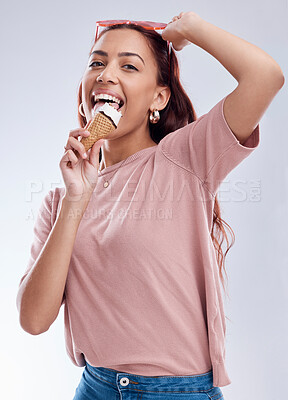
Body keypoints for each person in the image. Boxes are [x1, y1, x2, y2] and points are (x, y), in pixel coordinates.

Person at [16, 11, 284, 400]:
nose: (107, 73)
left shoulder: (185, 157)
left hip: (178, 393)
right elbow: (34, 320)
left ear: (158, 98)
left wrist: (191, 29)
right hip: (96, 387)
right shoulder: (60, 200)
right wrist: (77, 200)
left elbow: (266, 77)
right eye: (97, 62)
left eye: (129, 65)